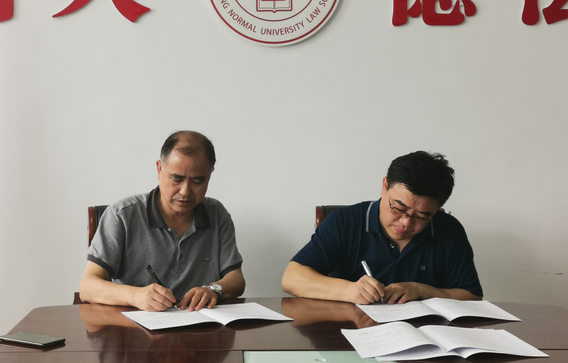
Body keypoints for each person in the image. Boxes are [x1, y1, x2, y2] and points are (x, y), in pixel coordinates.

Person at [282, 151, 482, 304]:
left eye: (421, 216)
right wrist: (349, 291)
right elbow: (292, 278)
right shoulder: (345, 222)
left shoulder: (448, 230)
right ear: (385, 185)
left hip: (425, 337)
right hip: (353, 334)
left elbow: (472, 296)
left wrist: (421, 290)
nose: (406, 222)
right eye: (398, 208)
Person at [80, 131, 245, 311]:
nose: (185, 191)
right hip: (136, 324)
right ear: (159, 169)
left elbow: (236, 279)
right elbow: (88, 286)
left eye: (197, 181)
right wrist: (135, 296)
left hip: (200, 323)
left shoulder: (217, 214)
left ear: (209, 175)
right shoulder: (122, 215)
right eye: (177, 179)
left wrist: (213, 290)